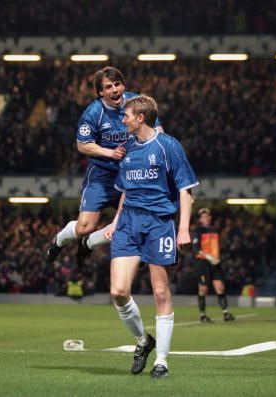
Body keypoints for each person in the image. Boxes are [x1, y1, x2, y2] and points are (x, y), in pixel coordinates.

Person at [105, 95, 198, 379]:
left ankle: (162, 361)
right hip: (129, 222)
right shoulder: (128, 149)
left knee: (160, 292)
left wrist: (183, 228)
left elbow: (186, 190)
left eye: (127, 116)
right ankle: (144, 340)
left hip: (159, 223)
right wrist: (116, 220)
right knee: (118, 292)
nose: (123, 120)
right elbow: (125, 190)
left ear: (141, 118)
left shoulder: (168, 145)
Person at [45, 66, 163, 268]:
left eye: (117, 84)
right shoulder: (94, 112)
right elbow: (82, 144)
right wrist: (110, 153)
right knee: (84, 227)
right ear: (101, 92)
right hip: (102, 175)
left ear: (123, 85)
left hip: (130, 175)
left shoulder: (138, 104)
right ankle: (60, 240)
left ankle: (89, 244)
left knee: (128, 224)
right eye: (108, 87)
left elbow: (157, 131)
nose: (114, 90)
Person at [191, 208, 235, 322]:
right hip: (203, 263)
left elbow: (220, 246)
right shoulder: (197, 231)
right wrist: (209, 257)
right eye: (204, 216)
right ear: (200, 219)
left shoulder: (215, 230)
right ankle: (202, 315)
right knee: (203, 289)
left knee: (220, 288)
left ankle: (226, 313)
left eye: (208, 216)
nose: (207, 218)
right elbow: (196, 249)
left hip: (215, 263)